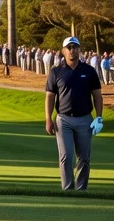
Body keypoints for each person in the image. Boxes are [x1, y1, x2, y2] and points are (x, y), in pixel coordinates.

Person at [45, 36, 104, 192]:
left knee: (84, 158)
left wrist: (99, 117)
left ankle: (81, 190)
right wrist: (48, 119)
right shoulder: (56, 71)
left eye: (75, 47)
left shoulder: (89, 71)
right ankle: (68, 190)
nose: (72, 50)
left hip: (85, 119)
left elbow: (97, 95)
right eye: (69, 47)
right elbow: (50, 97)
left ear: (79, 49)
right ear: (63, 51)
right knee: (66, 157)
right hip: (63, 119)